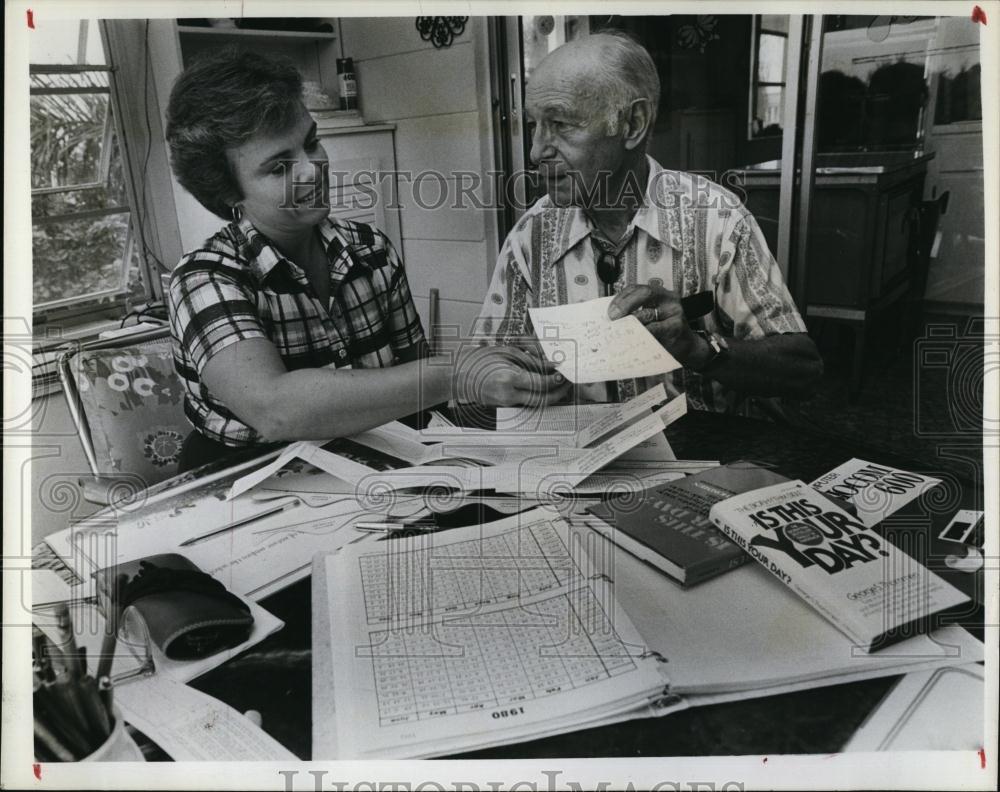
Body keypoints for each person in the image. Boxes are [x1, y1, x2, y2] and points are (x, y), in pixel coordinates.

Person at [165, 51, 568, 471]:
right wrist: (457, 373)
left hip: (376, 464)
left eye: (311, 142)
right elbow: (275, 409)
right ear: (229, 192)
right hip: (250, 481)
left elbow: (417, 389)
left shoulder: (370, 249)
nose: (312, 168)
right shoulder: (203, 279)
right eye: (279, 167)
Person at [476, 32, 823, 414]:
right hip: (576, 462)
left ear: (633, 123)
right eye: (533, 125)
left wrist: (700, 348)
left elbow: (803, 372)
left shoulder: (717, 220)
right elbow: (484, 366)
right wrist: (503, 376)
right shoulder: (531, 235)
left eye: (559, 123)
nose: (536, 150)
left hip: (700, 460)